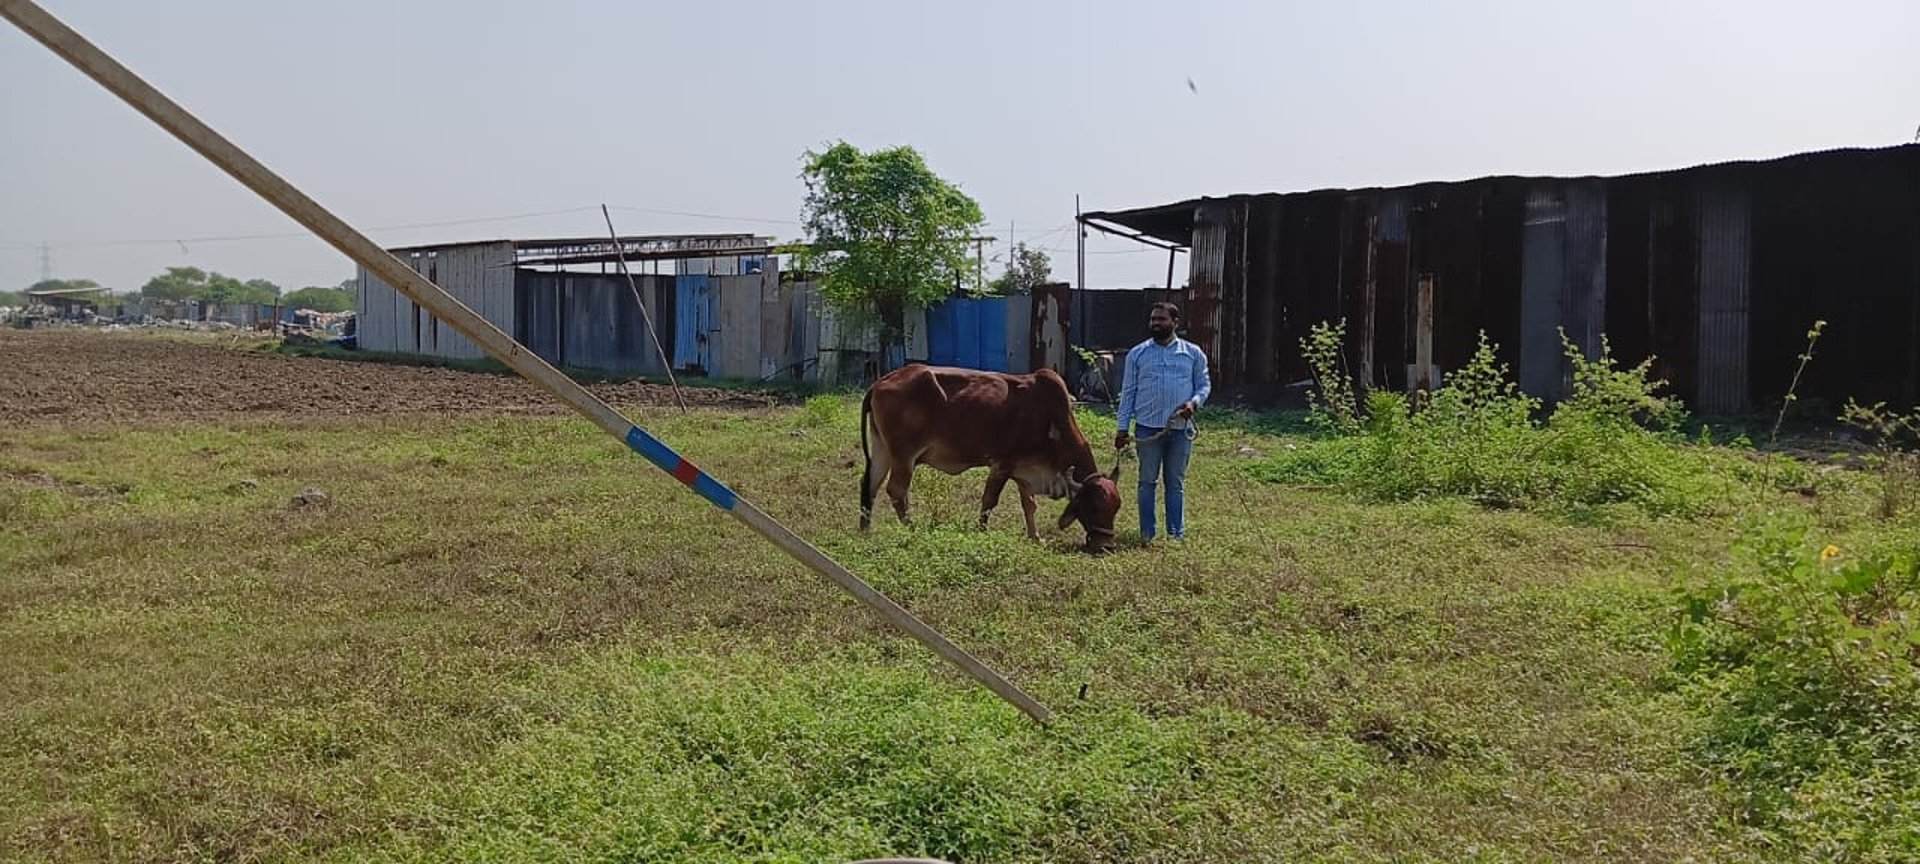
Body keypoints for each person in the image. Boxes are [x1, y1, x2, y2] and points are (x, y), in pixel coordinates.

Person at [1113, 302, 1211, 542]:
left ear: (1175, 323)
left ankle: (1175, 535)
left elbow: (1204, 385)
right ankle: (1147, 534)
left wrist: (1194, 403)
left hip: (1181, 430)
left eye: (1161, 320)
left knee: (1175, 484)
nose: (1156, 324)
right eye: (1153, 320)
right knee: (1147, 482)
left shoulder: (1192, 353)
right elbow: (1129, 392)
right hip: (1147, 429)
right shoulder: (1138, 354)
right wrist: (1122, 427)